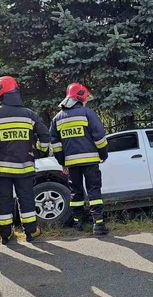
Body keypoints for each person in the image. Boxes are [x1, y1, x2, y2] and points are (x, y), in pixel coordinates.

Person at [0, 76, 50, 245]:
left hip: (2, 168)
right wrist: (38, 152)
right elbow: (45, 135)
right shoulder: (30, 114)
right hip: (25, 166)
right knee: (26, 198)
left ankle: (6, 234)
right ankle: (31, 232)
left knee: (4, 199)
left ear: (1, 95)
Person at [50, 83, 109, 236]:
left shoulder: (57, 118)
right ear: (80, 97)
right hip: (90, 161)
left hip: (71, 163)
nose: (86, 101)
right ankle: (99, 225)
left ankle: (79, 222)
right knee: (94, 190)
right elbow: (99, 137)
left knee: (76, 193)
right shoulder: (87, 113)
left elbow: (55, 145)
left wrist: (62, 162)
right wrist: (103, 154)